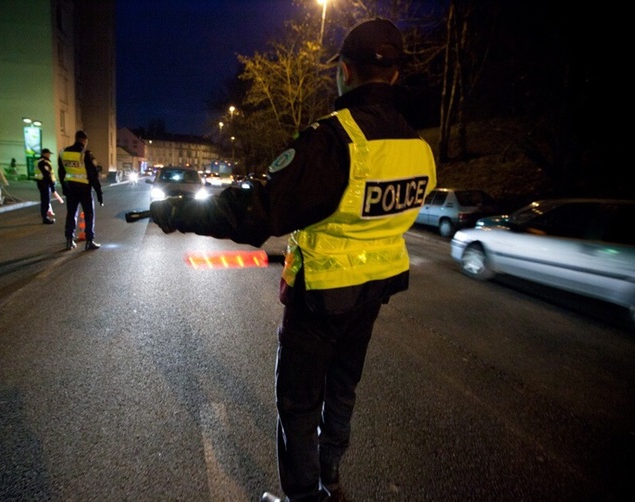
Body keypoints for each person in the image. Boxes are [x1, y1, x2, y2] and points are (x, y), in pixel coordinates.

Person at [149, 18, 437, 502]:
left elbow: (256, 211)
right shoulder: (419, 147)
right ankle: (332, 480)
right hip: (373, 294)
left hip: (321, 299)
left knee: (299, 406)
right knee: (342, 391)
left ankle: (303, 496)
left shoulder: (333, 141)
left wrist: (177, 212)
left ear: (345, 72)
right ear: (393, 76)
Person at [58, 130, 104, 251]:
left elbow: (61, 172)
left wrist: (64, 187)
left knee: (71, 214)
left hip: (71, 188)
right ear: (84, 141)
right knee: (89, 215)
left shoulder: (64, 153)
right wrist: (99, 193)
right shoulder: (85, 154)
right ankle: (89, 241)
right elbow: (93, 175)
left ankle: (69, 240)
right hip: (84, 189)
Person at [34, 148, 56, 224]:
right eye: (48, 153)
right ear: (44, 154)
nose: (49, 155)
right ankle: (45, 218)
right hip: (44, 183)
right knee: (45, 201)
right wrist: (52, 184)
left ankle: (45, 216)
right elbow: (47, 174)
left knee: (45, 200)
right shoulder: (43, 162)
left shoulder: (39, 161)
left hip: (41, 182)